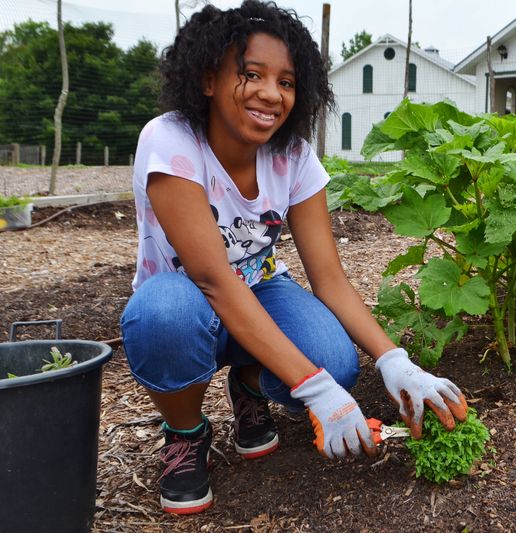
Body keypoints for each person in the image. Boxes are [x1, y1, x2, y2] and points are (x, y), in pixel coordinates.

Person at [120, 0, 468, 516]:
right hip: (187, 295)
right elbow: (213, 279)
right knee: (162, 317)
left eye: (286, 81)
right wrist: (313, 389)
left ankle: (248, 382)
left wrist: (396, 361)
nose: (270, 93)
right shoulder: (170, 140)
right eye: (251, 74)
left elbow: (329, 280)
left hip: (261, 289)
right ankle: (185, 433)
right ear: (209, 79)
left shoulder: (294, 157)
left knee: (338, 362)